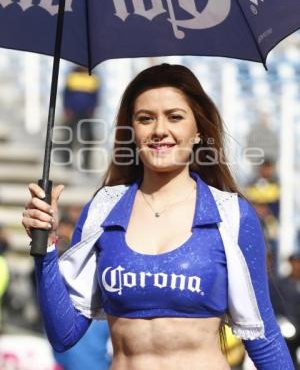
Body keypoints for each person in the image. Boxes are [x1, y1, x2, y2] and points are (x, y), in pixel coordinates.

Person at [21, 64, 294, 370]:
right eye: (145, 118)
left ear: (198, 130)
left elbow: (265, 337)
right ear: (131, 131)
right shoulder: (104, 208)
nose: (159, 130)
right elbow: (64, 334)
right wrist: (45, 248)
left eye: (175, 117)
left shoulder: (231, 214)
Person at [61, 65, 101, 170]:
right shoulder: (72, 75)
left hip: (87, 114)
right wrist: (66, 108)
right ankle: (67, 162)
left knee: (89, 138)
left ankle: (86, 163)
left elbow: (96, 96)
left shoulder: (94, 76)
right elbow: (66, 94)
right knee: (69, 137)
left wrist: (92, 109)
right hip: (72, 112)